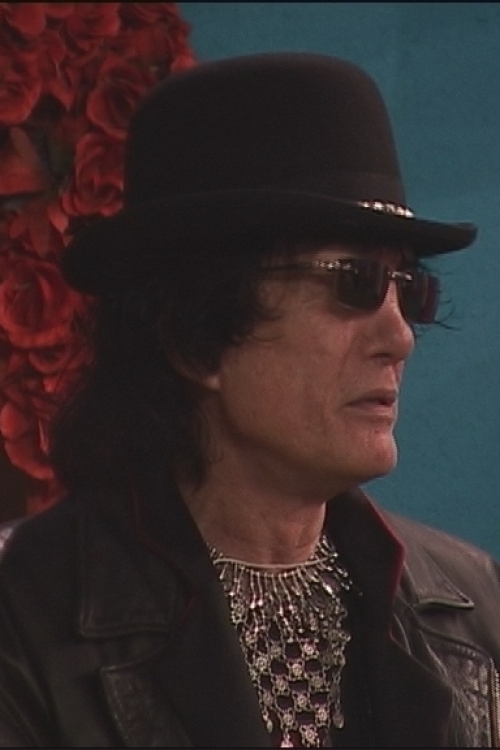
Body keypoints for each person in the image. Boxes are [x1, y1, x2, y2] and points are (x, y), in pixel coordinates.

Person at [0, 51, 498, 749]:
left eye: (407, 289)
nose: (400, 337)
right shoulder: (25, 613)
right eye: (354, 281)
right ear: (195, 337)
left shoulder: (470, 605)